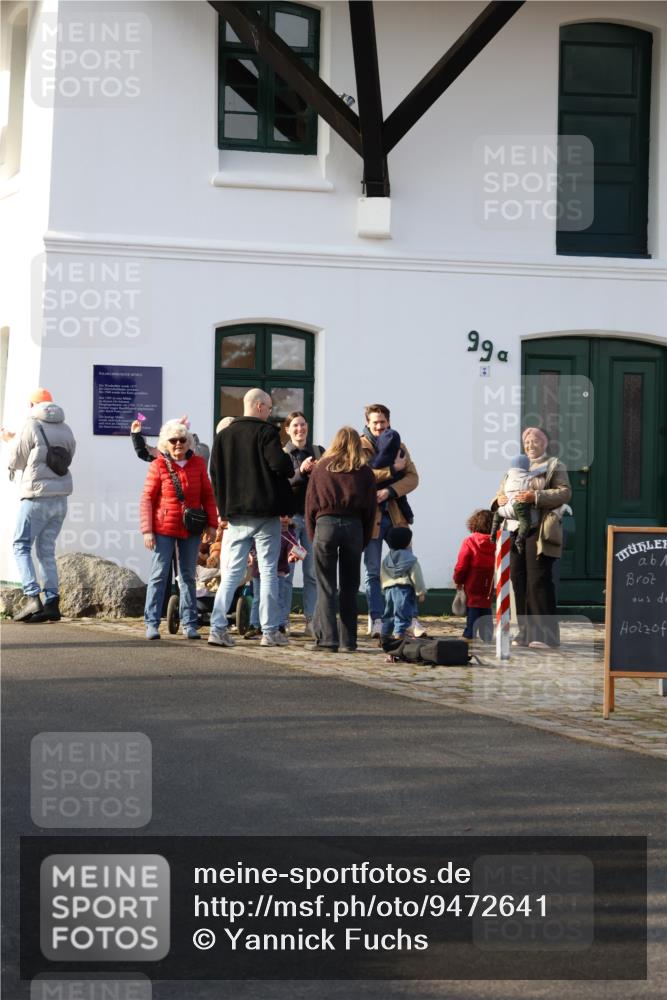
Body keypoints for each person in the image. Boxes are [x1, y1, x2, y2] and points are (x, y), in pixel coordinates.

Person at [208, 388, 294, 648]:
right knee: (268, 572)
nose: (270, 411)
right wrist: (288, 460)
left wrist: (223, 510)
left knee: (231, 574)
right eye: (268, 407)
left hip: (236, 514)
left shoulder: (224, 435)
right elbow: (280, 465)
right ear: (258, 406)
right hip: (265, 513)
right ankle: (269, 632)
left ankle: (217, 628)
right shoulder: (266, 432)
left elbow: (215, 474)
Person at [492, 427, 572, 649]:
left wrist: (535, 496)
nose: (530, 444)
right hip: (514, 530)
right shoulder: (515, 467)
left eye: (535, 440)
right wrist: (498, 500)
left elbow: (564, 492)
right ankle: (525, 633)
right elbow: (501, 492)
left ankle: (545, 636)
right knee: (518, 579)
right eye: (527, 441)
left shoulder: (555, 465)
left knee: (538, 580)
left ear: (545, 443)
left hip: (539, 530)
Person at [140, 419, 218, 640]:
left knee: (188, 577)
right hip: (163, 528)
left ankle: (189, 623)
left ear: (188, 442)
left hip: (190, 529)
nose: (178, 444)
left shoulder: (198, 464)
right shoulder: (158, 465)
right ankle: (152, 623)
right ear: (165, 443)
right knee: (159, 575)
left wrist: (212, 524)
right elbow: (147, 499)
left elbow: (208, 496)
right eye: (173, 440)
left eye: (182, 440)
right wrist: (147, 530)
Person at [3, 388, 76, 623]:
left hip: (36, 497)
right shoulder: (66, 428)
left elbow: (17, 460)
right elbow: (68, 456)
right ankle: (52, 603)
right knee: (46, 550)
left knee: (21, 545)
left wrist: (10, 441)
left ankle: (32, 596)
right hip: (60, 498)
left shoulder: (31, 424)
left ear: (32, 405)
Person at [305, 427, 377, 652]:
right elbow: (371, 511)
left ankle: (328, 639)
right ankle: (348, 641)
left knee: (326, 585)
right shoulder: (365, 472)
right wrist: (364, 538)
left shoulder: (321, 468)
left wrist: (313, 534)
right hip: (354, 526)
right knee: (350, 586)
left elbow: (310, 504)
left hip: (325, 525)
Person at [360, 404, 419, 637]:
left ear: (389, 422)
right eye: (375, 422)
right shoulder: (359, 446)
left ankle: (410, 618)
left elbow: (413, 478)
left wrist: (389, 491)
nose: (379, 426)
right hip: (371, 516)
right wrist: (393, 470)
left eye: (382, 422)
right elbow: (362, 476)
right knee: (373, 571)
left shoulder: (399, 446)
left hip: (396, 514)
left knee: (406, 567)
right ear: (367, 423)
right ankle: (376, 618)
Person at [283, 410, 324, 635]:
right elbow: (282, 484)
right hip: (289, 520)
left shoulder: (318, 452)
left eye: (303, 425)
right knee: (286, 573)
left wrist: (318, 472)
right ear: (287, 430)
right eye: (295, 426)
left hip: (313, 520)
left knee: (312, 573)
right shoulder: (282, 454)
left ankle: (311, 621)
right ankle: (283, 620)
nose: (300, 429)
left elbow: (328, 481)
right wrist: (301, 471)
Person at [453, 509, 495, 641]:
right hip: (490, 578)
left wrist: (458, 580)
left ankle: (469, 633)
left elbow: (461, 564)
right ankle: (487, 634)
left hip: (473, 577)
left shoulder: (470, 541)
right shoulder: (497, 541)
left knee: (473, 604)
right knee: (486, 603)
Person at [380, 526, 426, 641]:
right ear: (407, 543)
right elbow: (416, 576)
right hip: (404, 590)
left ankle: (384, 636)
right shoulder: (411, 559)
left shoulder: (387, 559)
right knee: (403, 614)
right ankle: (400, 636)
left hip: (389, 590)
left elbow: (382, 574)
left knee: (389, 614)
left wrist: (384, 588)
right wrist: (420, 592)